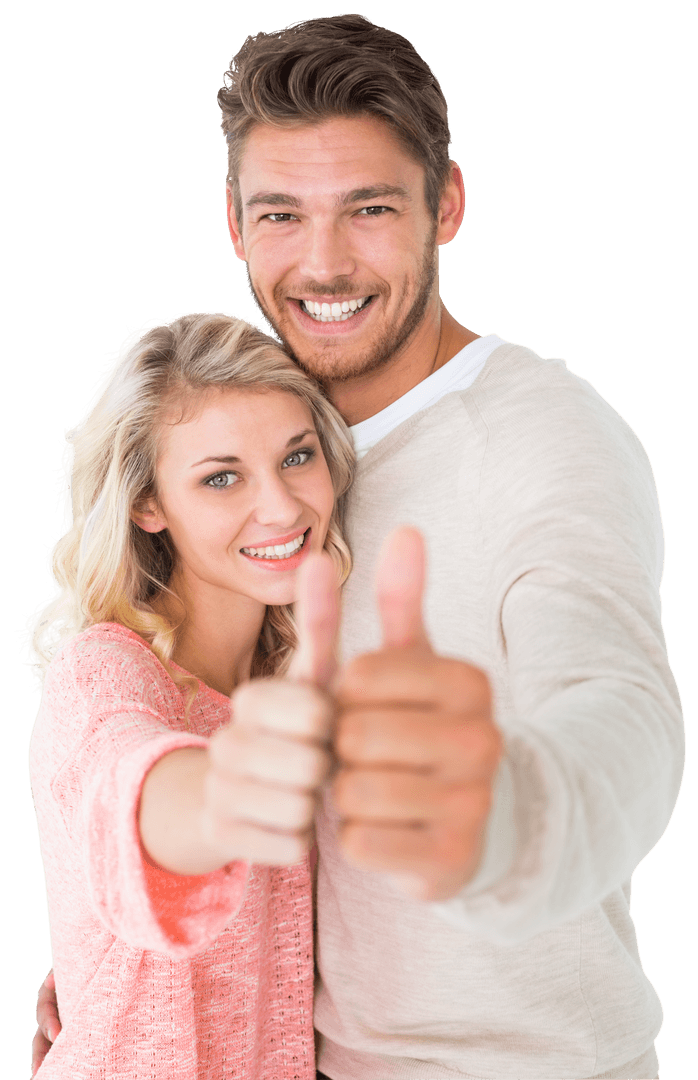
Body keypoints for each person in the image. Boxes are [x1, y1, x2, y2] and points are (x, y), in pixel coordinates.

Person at [34, 14, 683, 1080]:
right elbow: (137, 771)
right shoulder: (284, 444)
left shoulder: (545, 437)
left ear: (448, 207)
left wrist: (514, 809)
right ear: (236, 226)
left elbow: (620, 709)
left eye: (370, 208)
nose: (323, 261)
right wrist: (113, 960)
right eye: (281, 213)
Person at [26, 309, 358, 1078]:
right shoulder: (102, 673)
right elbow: (133, 789)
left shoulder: (286, 677)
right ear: (148, 504)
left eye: (297, 457)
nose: (281, 507)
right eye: (221, 477)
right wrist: (233, 789)